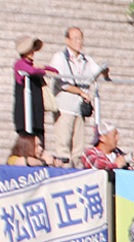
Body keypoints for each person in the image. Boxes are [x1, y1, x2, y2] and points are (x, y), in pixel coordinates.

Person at [49, 26, 105, 166]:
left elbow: (96, 72)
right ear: (67, 40)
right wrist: (81, 92)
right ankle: (64, 173)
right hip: (64, 108)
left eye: (81, 38)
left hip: (79, 110)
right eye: (75, 38)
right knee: (63, 145)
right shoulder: (59, 57)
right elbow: (61, 82)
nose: (79, 42)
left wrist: (105, 71)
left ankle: (76, 174)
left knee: (78, 148)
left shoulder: (86, 59)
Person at [13, 35, 58, 145]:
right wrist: (42, 70)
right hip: (25, 114)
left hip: (37, 114)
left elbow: (54, 70)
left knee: (40, 143)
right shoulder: (19, 64)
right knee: (28, 144)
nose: (32, 51)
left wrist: (43, 67)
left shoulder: (34, 66)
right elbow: (31, 71)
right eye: (29, 49)